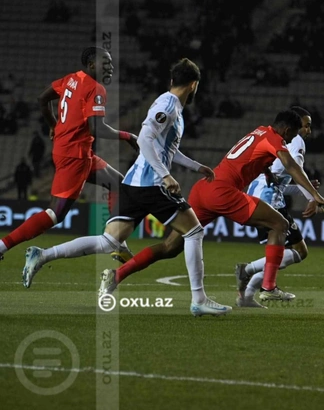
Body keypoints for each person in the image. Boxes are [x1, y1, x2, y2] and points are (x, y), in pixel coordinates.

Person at [21, 58, 228, 317]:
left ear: (173, 80)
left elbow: (165, 150)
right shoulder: (169, 105)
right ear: (194, 84)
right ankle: (199, 299)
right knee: (194, 232)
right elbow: (144, 138)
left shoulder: (167, 102)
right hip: (151, 184)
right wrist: (165, 176)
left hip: (133, 183)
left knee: (109, 241)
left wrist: (197, 167)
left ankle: (43, 255)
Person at [100, 109, 324, 305]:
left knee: (170, 246)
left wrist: (268, 174)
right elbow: (291, 165)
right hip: (223, 191)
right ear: (286, 130)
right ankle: (268, 286)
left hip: (204, 188)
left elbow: (252, 159)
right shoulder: (275, 139)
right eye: (292, 134)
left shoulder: (259, 132)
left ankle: (117, 275)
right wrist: (314, 195)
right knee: (279, 224)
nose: (290, 139)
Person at [0, 47, 137, 263]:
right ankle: (2, 245)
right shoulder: (96, 88)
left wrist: (54, 125)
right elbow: (96, 129)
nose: (111, 67)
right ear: (92, 65)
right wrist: (128, 136)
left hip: (74, 150)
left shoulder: (72, 79)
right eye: (106, 63)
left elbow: (42, 99)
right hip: (75, 155)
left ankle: (116, 242)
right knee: (55, 214)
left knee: (118, 184)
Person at [235, 107, 320, 308]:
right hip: (269, 201)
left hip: (259, 196)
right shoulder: (296, 141)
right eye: (306, 126)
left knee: (282, 252)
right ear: (295, 126)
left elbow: (278, 182)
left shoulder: (276, 140)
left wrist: (304, 191)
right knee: (298, 251)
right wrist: (312, 197)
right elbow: (296, 169)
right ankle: (249, 273)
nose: (308, 130)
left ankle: (246, 297)